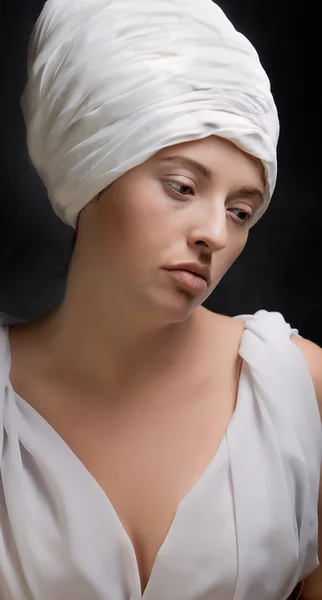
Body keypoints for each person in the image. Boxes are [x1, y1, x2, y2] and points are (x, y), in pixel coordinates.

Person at [0, 1, 321, 599]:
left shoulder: (297, 388)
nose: (215, 234)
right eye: (182, 187)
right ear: (92, 174)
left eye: (241, 210)